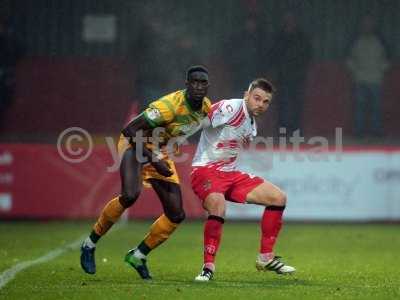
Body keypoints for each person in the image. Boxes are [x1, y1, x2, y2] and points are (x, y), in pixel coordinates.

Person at [80, 65, 211, 279]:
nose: (198, 86)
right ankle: (89, 244)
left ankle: (139, 255)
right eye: (194, 82)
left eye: (202, 83)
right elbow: (130, 130)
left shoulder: (206, 107)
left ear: (207, 87)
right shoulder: (168, 106)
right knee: (130, 195)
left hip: (159, 152)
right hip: (135, 145)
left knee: (176, 214)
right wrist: (154, 159)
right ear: (186, 85)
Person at [191, 78, 295, 281]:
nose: (261, 104)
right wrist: (173, 140)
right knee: (218, 206)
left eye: (266, 102)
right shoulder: (231, 107)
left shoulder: (252, 125)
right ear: (246, 95)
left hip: (230, 174)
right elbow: (199, 122)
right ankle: (208, 267)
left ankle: (266, 257)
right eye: (257, 98)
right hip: (205, 170)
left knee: (278, 198)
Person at [266, 12, 312, 135]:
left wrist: (301, 70)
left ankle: (295, 131)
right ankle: (283, 132)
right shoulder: (279, 38)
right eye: (287, 20)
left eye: (291, 20)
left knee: (296, 105)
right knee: (282, 105)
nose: (289, 23)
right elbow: (272, 56)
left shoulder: (301, 38)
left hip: (297, 77)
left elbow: (307, 56)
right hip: (282, 78)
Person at [346, 15, 390, 138]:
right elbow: (349, 58)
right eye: (365, 23)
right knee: (359, 108)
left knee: (376, 108)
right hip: (360, 79)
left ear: (374, 25)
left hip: (376, 79)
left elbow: (387, 58)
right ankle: (358, 132)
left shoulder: (381, 40)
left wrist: (381, 70)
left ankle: (376, 132)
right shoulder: (355, 40)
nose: (367, 26)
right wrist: (355, 71)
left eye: (370, 23)